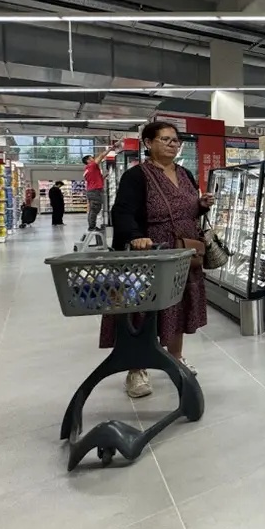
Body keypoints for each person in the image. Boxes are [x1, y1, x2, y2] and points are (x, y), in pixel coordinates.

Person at [104, 121, 215, 398]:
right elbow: (123, 212)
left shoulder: (185, 173)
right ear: (148, 144)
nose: (172, 144)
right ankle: (136, 370)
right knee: (141, 309)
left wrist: (200, 206)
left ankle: (175, 358)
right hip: (150, 253)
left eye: (176, 141)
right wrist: (135, 236)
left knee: (178, 304)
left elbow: (186, 210)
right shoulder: (137, 176)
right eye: (165, 140)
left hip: (183, 253)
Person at [82, 143, 115, 232]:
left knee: (94, 209)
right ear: (88, 160)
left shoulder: (87, 170)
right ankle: (92, 227)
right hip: (95, 191)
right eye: (92, 158)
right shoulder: (92, 165)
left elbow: (95, 179)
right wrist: (110, 149)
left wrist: (105, 176)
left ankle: (91, 226)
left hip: (92, 191)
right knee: (95, 209)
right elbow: (101, 156)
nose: (93, 159)